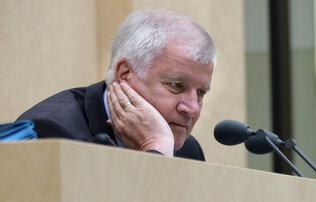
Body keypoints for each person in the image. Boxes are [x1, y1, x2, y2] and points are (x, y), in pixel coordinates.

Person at [17, 9, 217, 160]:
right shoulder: (55, 133)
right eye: (176, 85)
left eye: (200, 92)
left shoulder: (186, 149)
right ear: (125, 74)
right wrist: (155, 147)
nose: (192, 109)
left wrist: (159, 146)